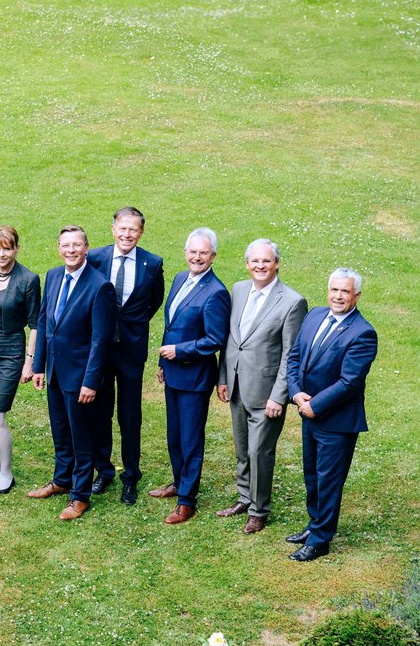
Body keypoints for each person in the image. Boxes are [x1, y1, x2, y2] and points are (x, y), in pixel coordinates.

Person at [284, 268, 377, 561]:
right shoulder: (314, 315)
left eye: (345, 291)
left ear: (356, 296)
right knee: (312, 475)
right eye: (334, 290)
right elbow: (296, 356)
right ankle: (314, 525)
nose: (338, 296)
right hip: (307, 410)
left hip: (335, 422)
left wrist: (315, 405)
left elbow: (350, 383)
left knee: (329, 480)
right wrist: (296, 393)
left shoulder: (362, 332)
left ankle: (321, 539)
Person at [215, 239, 307, 534]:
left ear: (277, 263)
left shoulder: (292, 302)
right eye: (254, 261)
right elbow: (231, 340)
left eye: (266, 261)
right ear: (246, 263)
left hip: (267, 393)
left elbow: (291, 354)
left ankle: (259, 510)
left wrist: (279, 396)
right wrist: (223, 378)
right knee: (242, 448)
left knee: (260, 451)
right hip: (238, 386)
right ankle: (244, 497)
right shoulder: (239, 290)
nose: (260, 266)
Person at [29, 226, 117, 521]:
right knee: (60, 431)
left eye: (76, 245)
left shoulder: (99, 286)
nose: (71, 250)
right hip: (55, 372)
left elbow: (100, 339)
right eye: (65, 245)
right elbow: (44, 322)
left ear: (86, 248)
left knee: (81, 437)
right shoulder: (53, 275)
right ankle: (61, 479)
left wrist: (91, 381)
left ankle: (79, 496)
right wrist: (39, 365)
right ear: (59, 248)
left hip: (80, 378)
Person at [151, 228, 231, 525]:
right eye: (192, 252)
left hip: (195, 378)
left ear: (213, 257)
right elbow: (171, 326)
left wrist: (178, 351)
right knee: (175, 435)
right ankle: (178, 481)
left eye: (203, 253)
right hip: (172, 373)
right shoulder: (180, 279)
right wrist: (163, 360)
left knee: (191, 438)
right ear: (185, 253)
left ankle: (187, 500)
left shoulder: (216, 292)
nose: (197, 257)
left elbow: (214, 339)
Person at [86, 207, 165, 504]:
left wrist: (133, 325)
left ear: (141, 233)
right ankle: (103, 471)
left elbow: (154, 301)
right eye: (122, 228)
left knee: (130, 416)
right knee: (100, 411)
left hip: (131, 350)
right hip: (101, 350)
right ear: (113, 228)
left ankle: (130, 476)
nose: (127, 234)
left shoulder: (152, 264)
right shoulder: (95, 259)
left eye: (133, 229)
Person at [0, 226, 41, 496]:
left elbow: (35, 324)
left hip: (10, 352)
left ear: (16, 249)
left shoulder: (28, 279)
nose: (1, 254)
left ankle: (7, 473)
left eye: (7, 248)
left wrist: (29, 362)